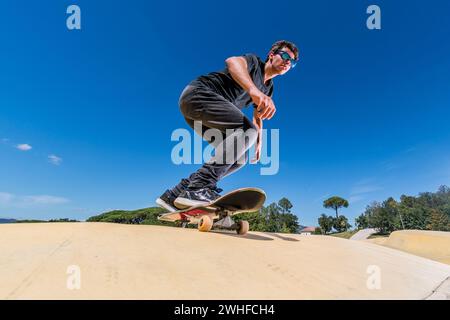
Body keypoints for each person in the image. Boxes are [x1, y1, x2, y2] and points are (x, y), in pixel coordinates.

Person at [156, 40, 299, 212]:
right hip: (199, 95)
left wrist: (259, 143)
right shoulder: (254, 63)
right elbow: (232, 61)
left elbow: (257, 116)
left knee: (240, 159)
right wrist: (253, 90)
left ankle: (176, 194)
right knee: (246, 131)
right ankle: (198, 188)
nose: (287, 62)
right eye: (284, 56)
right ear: (271, 55)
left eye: (291, 62)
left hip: (199, 114)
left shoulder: (268, 88)